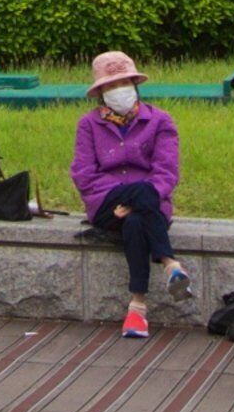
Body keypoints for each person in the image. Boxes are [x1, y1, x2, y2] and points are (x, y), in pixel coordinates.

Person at [69, 49, 191, 339]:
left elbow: (167, 172)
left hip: (148, 205)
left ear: (135, 85)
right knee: (139, 192)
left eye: (123, 83)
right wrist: (125, 197)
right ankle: (169, 263)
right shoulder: (89, 125)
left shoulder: (160, 121)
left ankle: (137, 307)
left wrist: (136, 202)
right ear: (100, 93)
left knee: (137, 220)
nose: (118, 90)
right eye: (110, 86)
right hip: (106, 204)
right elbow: (84, 174)